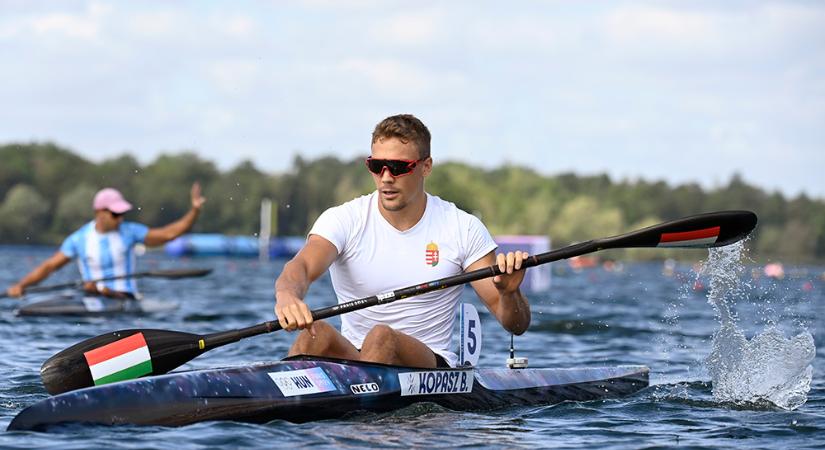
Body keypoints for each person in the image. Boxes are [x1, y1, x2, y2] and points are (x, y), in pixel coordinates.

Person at [275, 114, 530, 368]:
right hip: (355, 360)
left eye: (398, 167)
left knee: (381, 337)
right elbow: (301, 267)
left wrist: (510, 293)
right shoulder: (344, 219)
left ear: (426, 167)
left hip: (429, 365)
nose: (386, 177)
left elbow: (515, 325)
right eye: (377, 166)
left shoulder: (462, 228)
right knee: (313, 335)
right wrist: (287, 295)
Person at [5, 183, 206, 298]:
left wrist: (195, 210)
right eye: (115, 213)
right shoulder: (79, 239)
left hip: (124, 298)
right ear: (100, 212)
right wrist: (22, 286)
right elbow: (49, 267)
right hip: (91, 297)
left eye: (122, 213)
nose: (120, 218)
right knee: (89, 291)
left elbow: (169, 234)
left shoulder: (130, 232)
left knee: (100, 290)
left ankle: (104, 291)